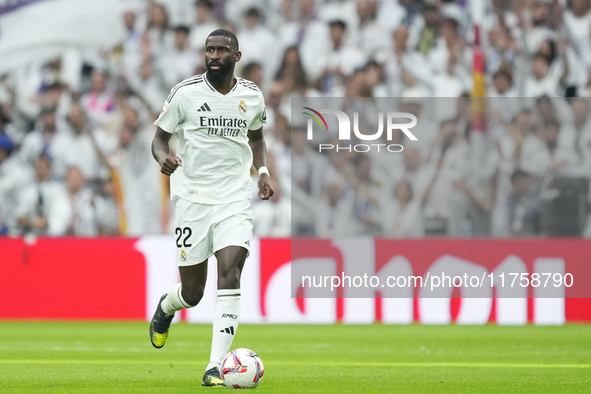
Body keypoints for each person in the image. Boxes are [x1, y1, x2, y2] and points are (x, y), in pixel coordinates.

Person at [149, 29, 273, 387]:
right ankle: (167, 307)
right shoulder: (185, 93)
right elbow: (159, 137)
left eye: (222, 50)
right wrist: (163, 160)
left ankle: (215, 366)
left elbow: (257, 137)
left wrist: (262, 172)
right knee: (193, 292)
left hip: (234, 196)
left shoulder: (252, 96)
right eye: (209, 50)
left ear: (237, 56)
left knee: (231, 272)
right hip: (192, 197)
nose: (214, 55)